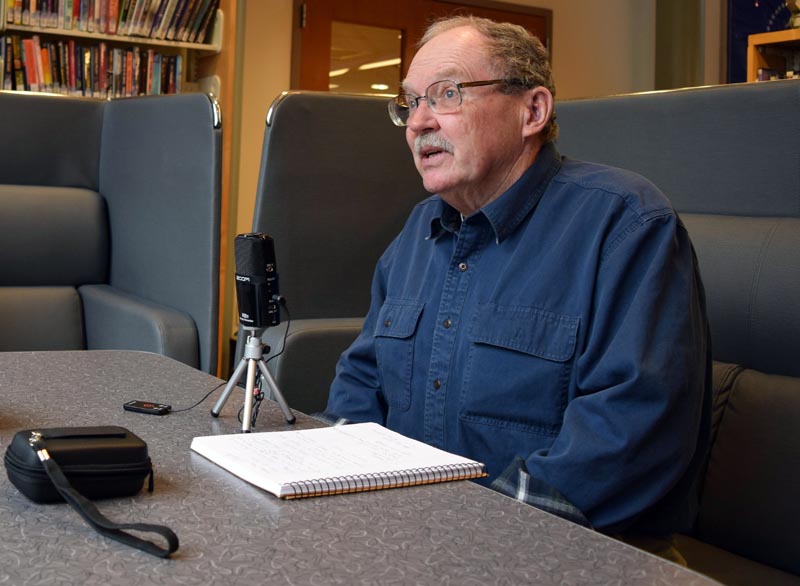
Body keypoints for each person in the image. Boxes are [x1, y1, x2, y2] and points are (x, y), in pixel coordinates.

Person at [325, 15, 711, 560]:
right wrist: (327, 477)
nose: (418, 122)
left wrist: (474, 535)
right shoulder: (418, 230)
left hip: (572, 552)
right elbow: (362, 379)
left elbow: (634, 430)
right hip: (409, 537)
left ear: (532, 111)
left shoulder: (626, 224)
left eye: (448, 94)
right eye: (410, 103)